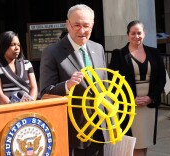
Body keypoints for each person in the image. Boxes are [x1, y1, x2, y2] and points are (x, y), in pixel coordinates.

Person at [40, 4, 108, 156]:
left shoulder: (98, 49)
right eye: (77, 25)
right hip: (73, 132)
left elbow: (104, 88)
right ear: (68, 25)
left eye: (86, 25)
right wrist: (67, 85)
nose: (82, 31)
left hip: (99, 130)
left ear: (93, 25)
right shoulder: (52, 52)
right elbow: (44, 93)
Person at [108, 20, 166, 156]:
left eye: (139, 33)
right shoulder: (119, 54)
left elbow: (162, 78)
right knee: (134, 144)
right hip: (129, 105)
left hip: (149, 105)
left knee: (145, 141)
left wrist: (151, 97)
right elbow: (113, 82)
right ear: (128, 35)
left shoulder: (154, 52)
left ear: (144, 34)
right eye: (133, 33)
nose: (136, 36)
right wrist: (128, 100)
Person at [0, 31, 38, 104]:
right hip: (8, 109)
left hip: (28, 107)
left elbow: (34, 87)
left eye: (18, 45)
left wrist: (30, 103)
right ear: (4, 46)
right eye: (13, 45)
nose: (17, 48)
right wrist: (13, 107)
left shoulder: (27, 64)